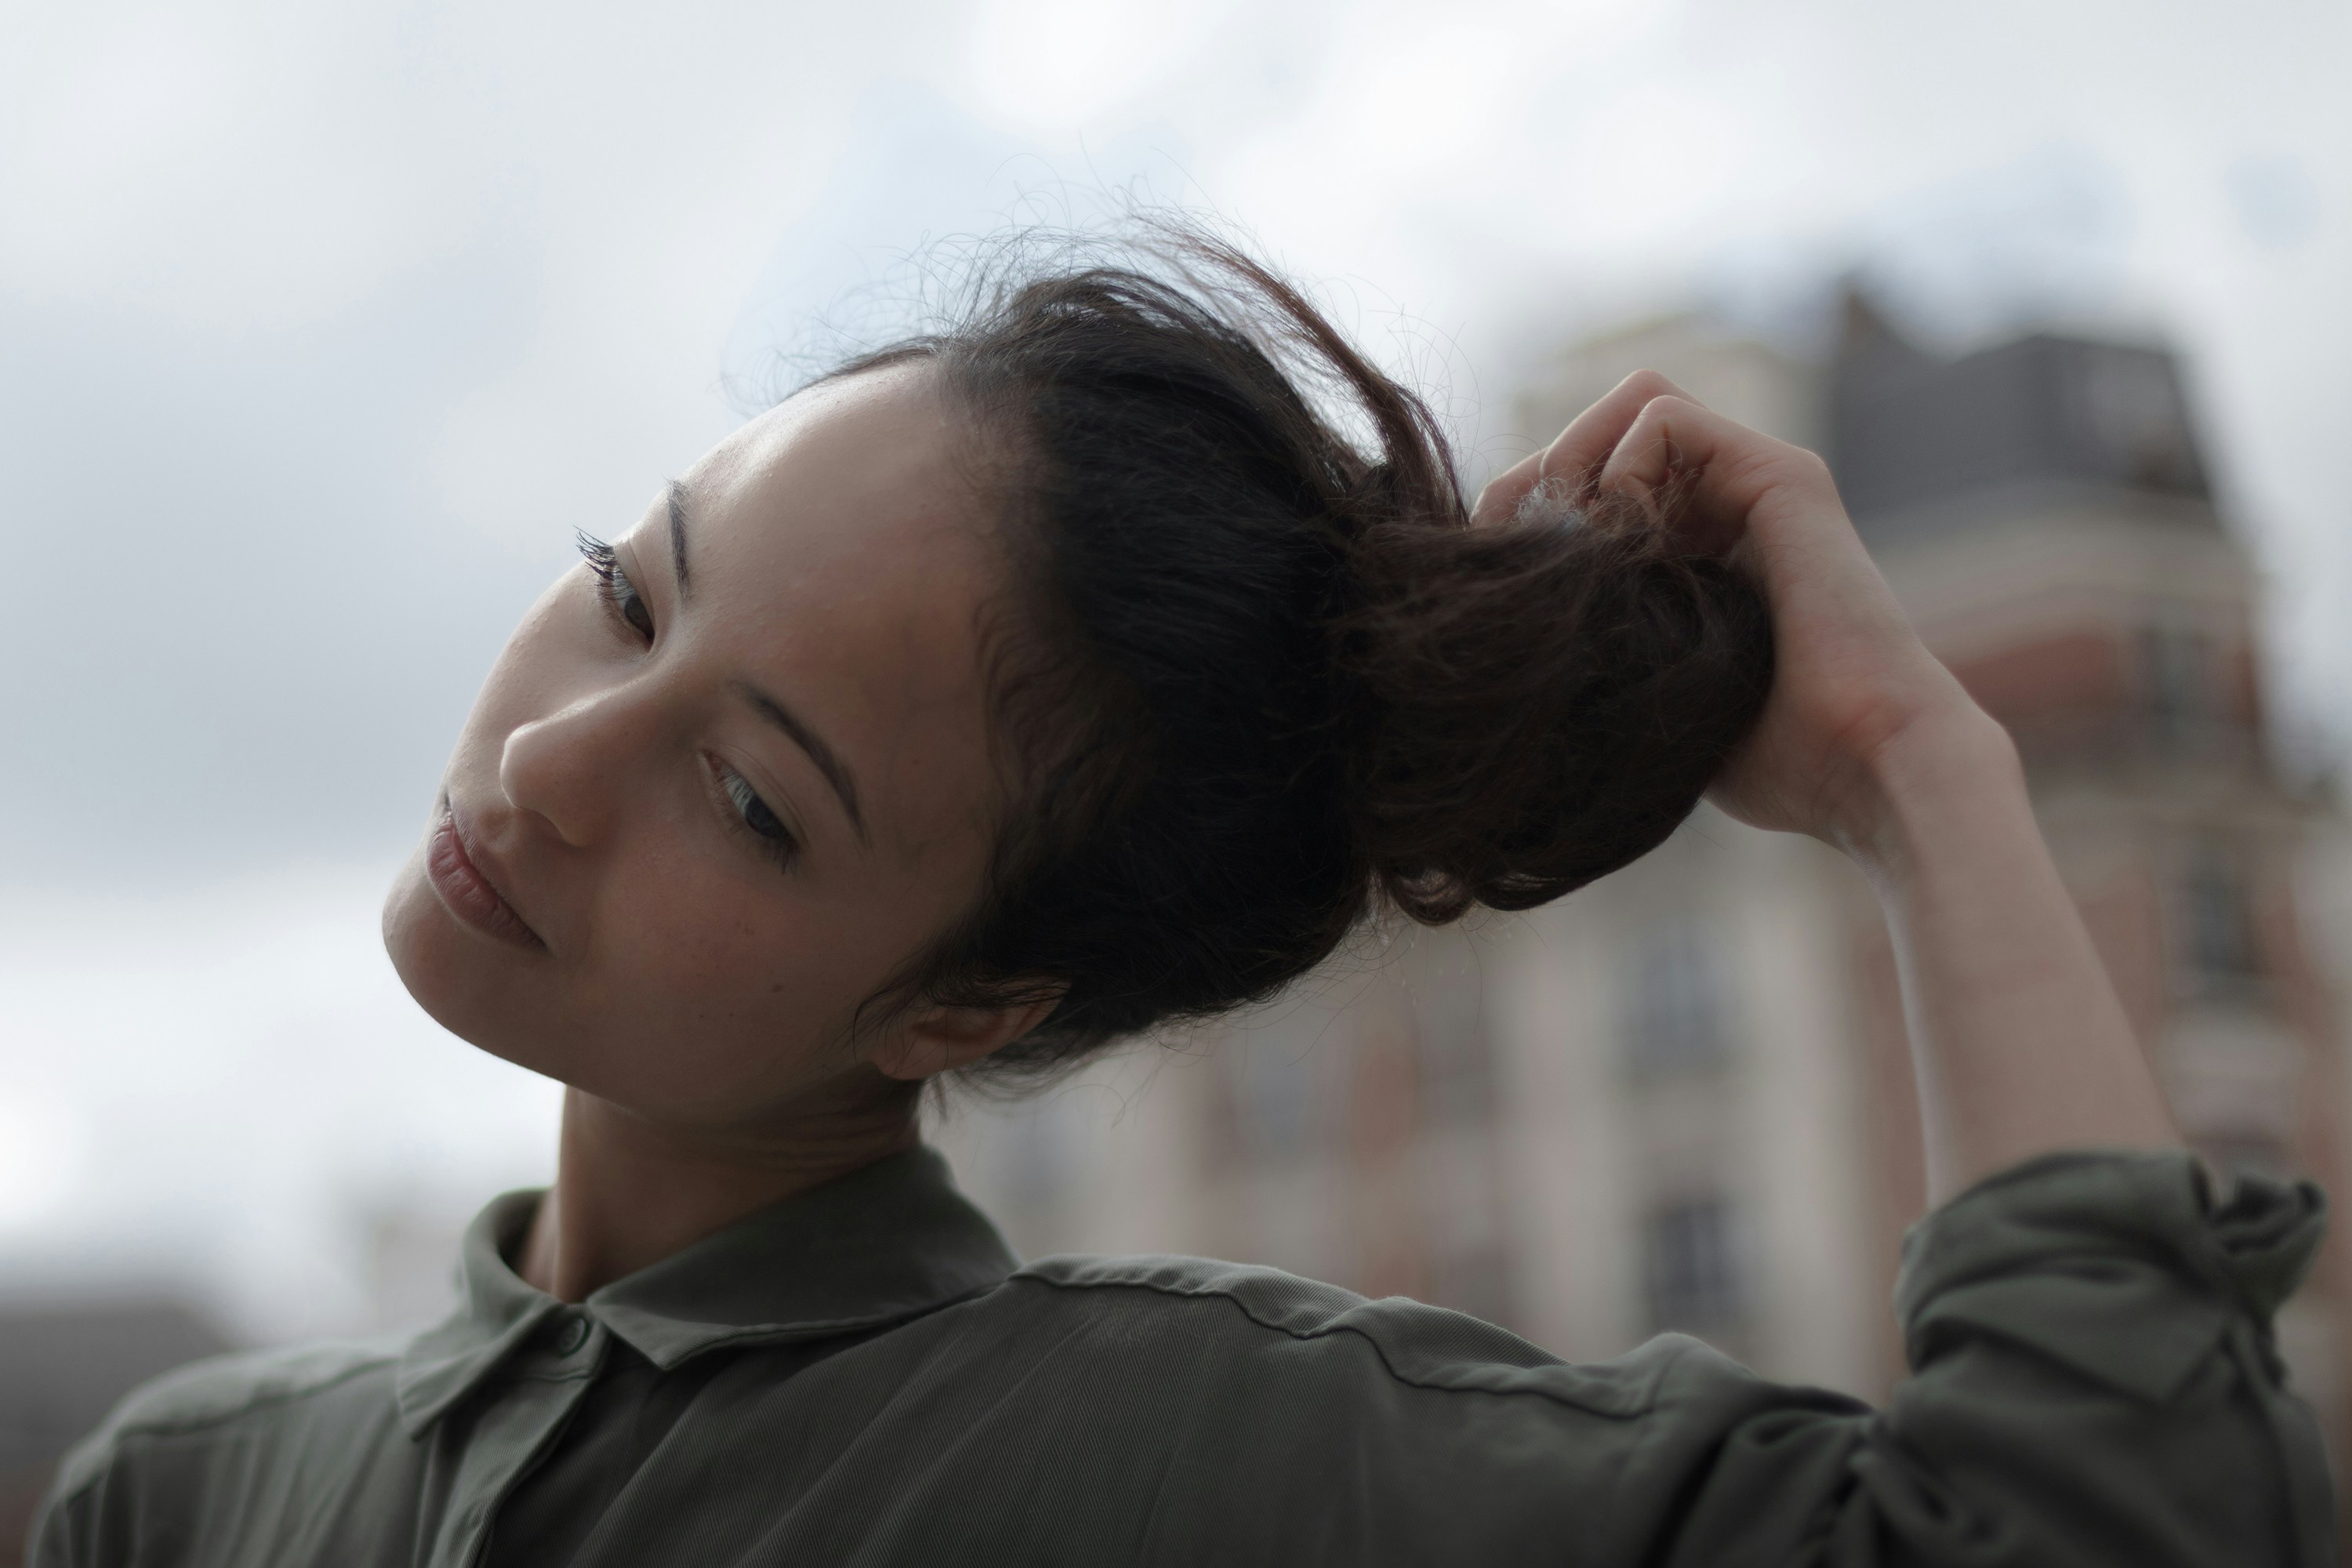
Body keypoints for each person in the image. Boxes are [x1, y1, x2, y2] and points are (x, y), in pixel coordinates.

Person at [31, 229, 2331, 1567]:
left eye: (751, 800)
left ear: (971, 1000)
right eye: (626, 593)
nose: (545, 754)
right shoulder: (189, 1493)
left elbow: (2113, 1531)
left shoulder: (1194, 1462)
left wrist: (1923, 773)